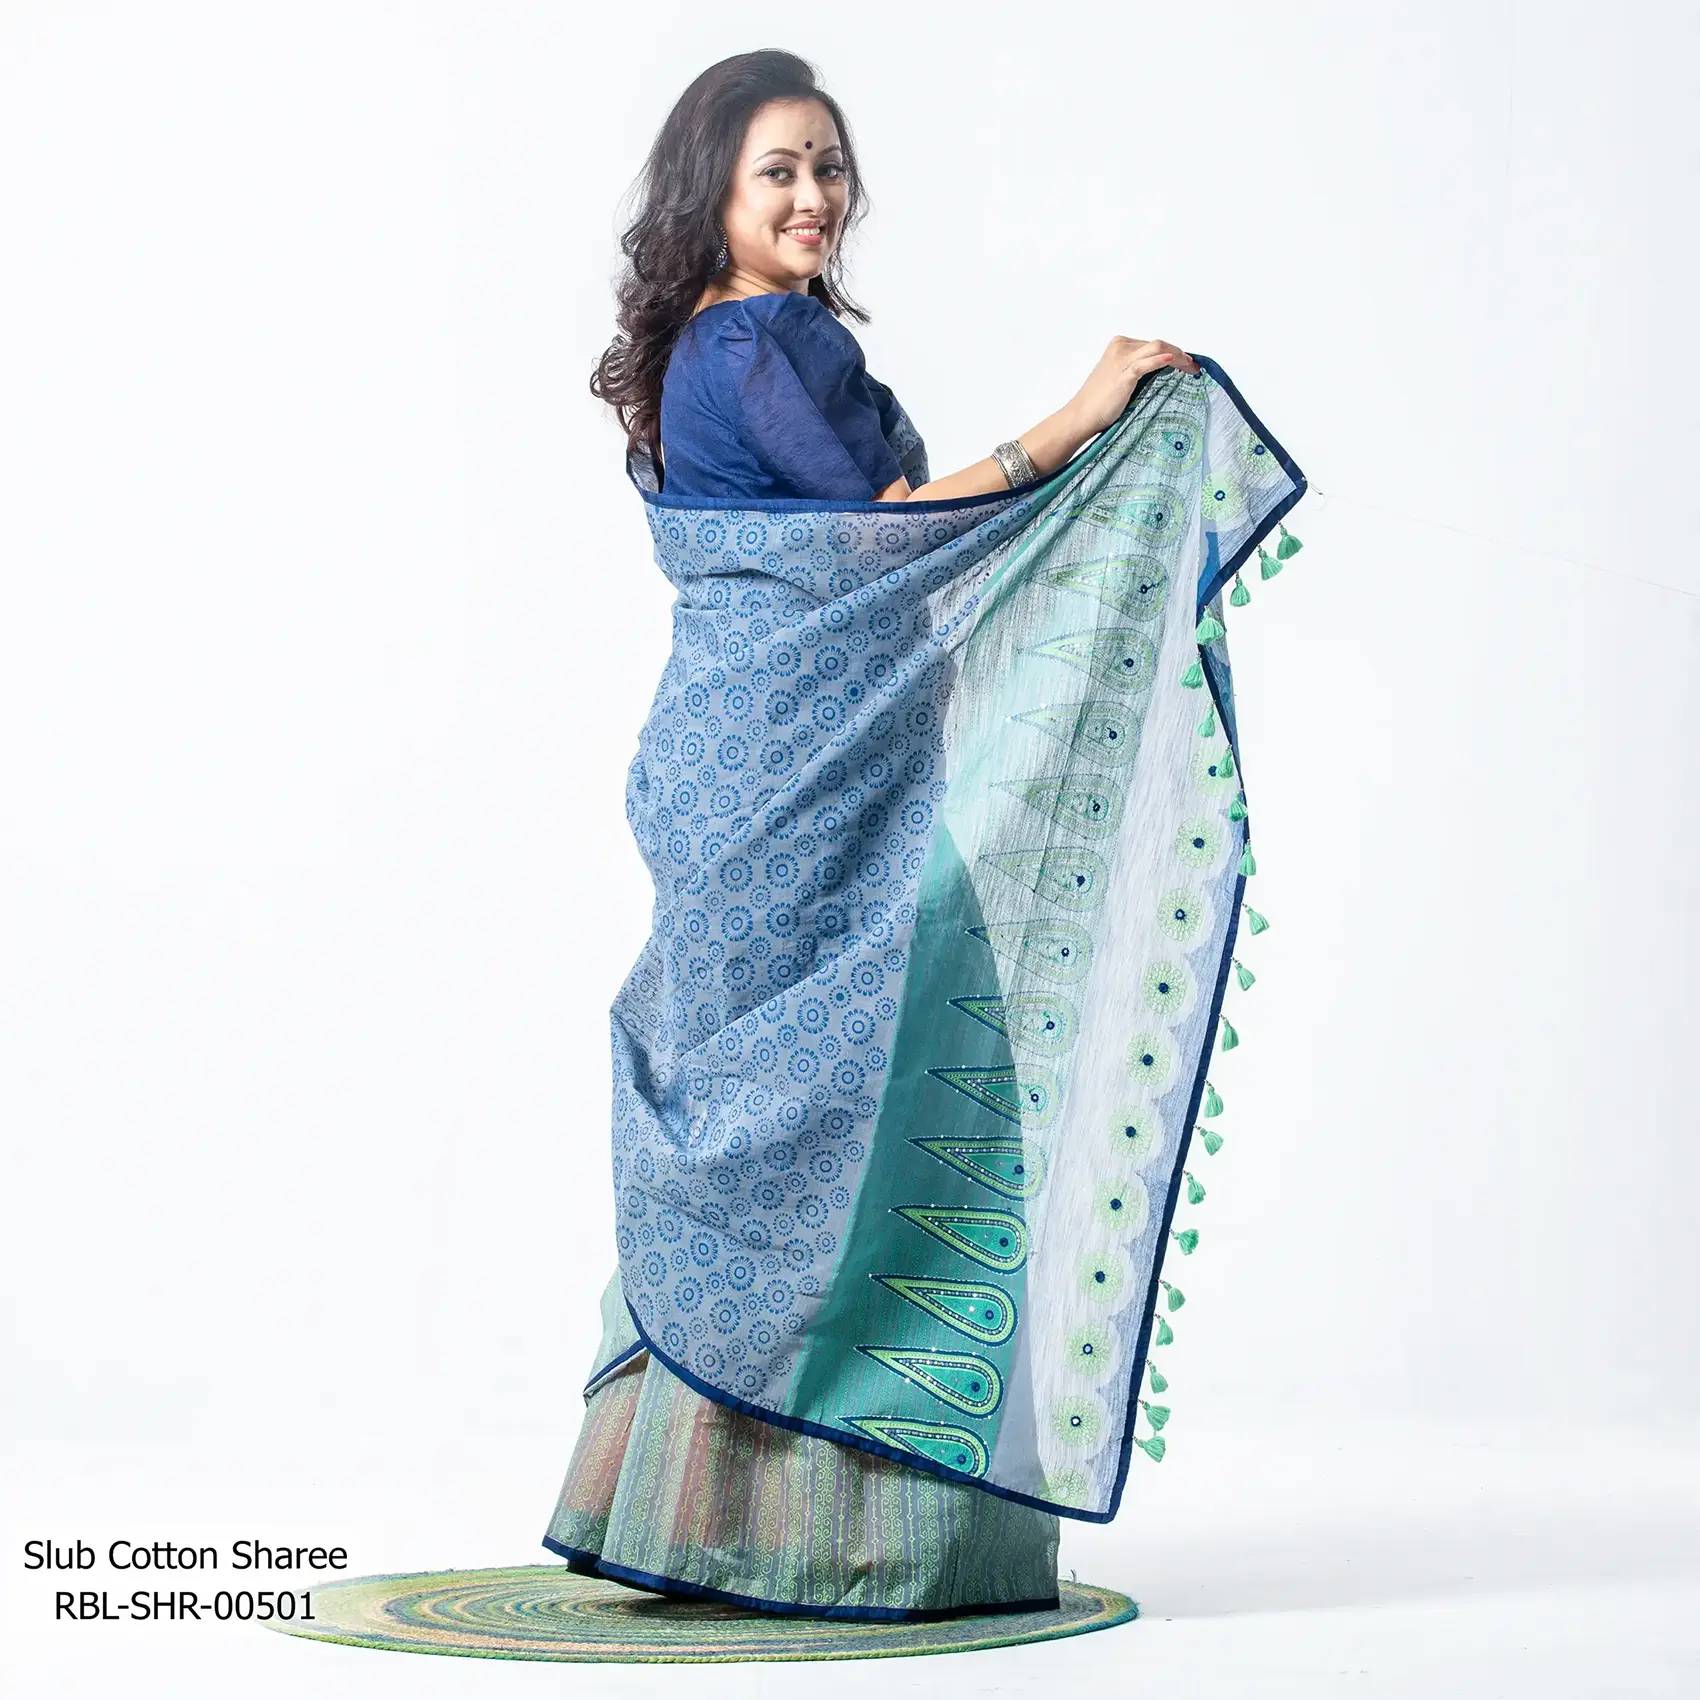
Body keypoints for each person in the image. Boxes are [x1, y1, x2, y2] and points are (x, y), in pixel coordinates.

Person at [542, 48, 1219, 1621]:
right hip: (795, 779)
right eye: (778, 169)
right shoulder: (755, 341)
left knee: (779, 1121)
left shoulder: (713, 344)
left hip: (749, 763)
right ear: (712, 189)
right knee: (855, 1106)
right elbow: (893, 534)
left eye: (829, 166)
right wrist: (1078, 422)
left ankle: (707, 1519)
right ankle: (832, 1535)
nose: (813, 196)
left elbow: (849, 538)